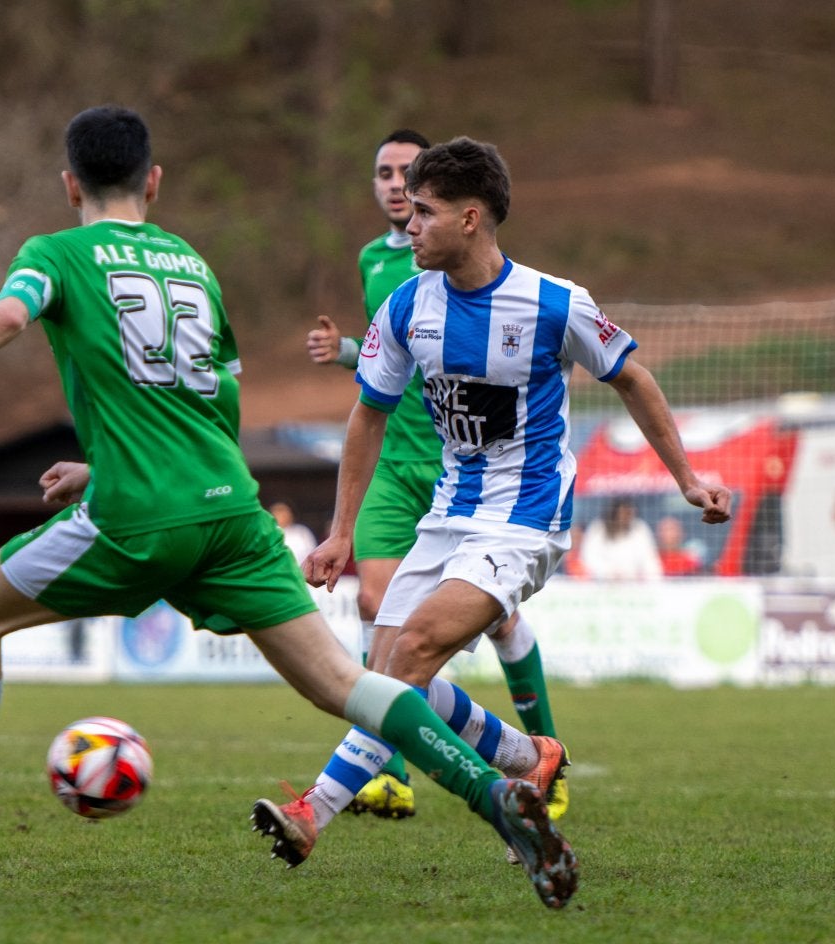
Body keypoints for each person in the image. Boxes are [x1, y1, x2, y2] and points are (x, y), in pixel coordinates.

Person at [0, 106, 577, 909]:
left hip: (138, 515)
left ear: (69, 185)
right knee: (347, 678)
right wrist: (105, 467)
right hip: (232, 512)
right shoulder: (193, 266)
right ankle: (495, 796)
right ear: (153, 183)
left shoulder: (55, 254)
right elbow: (214, 401)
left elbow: (7, 316)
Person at [264, 136, 731, 872]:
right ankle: (526, 754)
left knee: (410, 654)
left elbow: (632, 377)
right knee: (379, 678)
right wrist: (341, 532)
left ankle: (310, 812)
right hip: (447, 513)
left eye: (424, 212)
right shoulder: (404, 306)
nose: (408, 225)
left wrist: (687, 478)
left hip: (526, 516)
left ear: (471, 218)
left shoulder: (554, 302)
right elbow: (368, 416)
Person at [304, 130, 565, 820]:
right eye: (383, 173)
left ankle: (538, 753)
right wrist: (345, 354)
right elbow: (388, 359)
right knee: (384, 623)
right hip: (402, 463)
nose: (394, 187)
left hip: (482, 474)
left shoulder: (515, 286)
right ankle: (388, 772)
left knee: (487, 625)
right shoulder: (376, 262)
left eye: (406, 176)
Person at [578, 497, 664, 580]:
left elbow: (650, 561)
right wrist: (608, 573)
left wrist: (655, 583)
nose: (627, 517)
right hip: (601, 584)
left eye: (630, 513)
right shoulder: (598, 529)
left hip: (633, 586)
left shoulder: (639, 529)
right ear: (614, 513)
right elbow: (588, 558)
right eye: (624, 513)